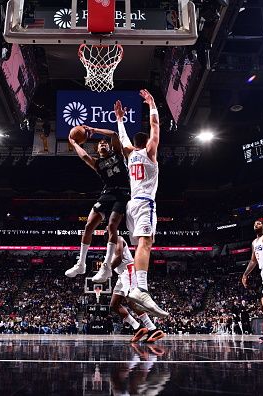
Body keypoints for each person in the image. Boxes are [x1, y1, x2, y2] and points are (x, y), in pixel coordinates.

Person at [113, 90, 167, 318]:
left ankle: (138, 285)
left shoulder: (129, 154)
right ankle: (141, 289)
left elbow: (122, 138)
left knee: (141, 247)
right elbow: (156, 125)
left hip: (131, 205)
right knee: (146, 244)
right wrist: (152, 103)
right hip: (145, 203)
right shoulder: (149, 152)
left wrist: (120, 119)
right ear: (146, 143)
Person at [64, 127, 130, 282]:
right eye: (100, 143)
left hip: (122, 192)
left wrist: (93, 129)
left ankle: (106, 267)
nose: (103, 143)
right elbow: (84, 156)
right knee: (88, 226)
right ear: (97, 148)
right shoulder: (98, 163)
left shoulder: (118, 154)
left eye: (104, 143)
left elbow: (114, 134)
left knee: (112, 226)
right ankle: (81, 264)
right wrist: (74, 143)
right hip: (107, 194)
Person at [109, 234, 165, 343]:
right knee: (114, 305)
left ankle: (153, 329)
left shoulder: (118, 238)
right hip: (121, 274)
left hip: (128, 270)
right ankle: (138, 327)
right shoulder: (109, 245)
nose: (106, 231)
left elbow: (119, 257)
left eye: (108, 229)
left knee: (131, 299)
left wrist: (106, 269)